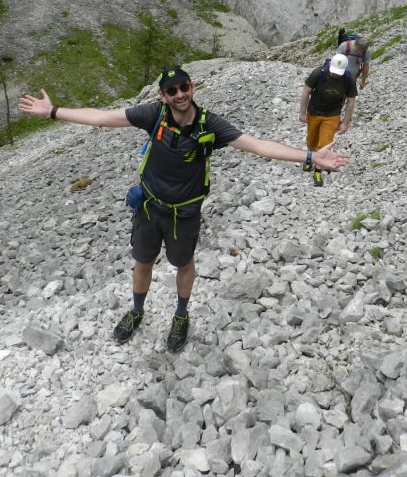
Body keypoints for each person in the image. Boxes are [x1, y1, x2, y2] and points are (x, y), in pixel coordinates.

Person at [18, 65, 349, 353]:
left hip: (185, 213)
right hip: (149, 207)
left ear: (193, 87)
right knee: (143, 261)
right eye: (171, 90)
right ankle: (137, 311)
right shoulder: (154, 115)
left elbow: (258, 146)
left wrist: (310, 157)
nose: (179, 95)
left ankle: (180, 315)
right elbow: (103, 118)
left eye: (184, 87)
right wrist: (53, 111)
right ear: (163, 95)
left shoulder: (210, 125)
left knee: (183, 263)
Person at [299, 53, 357, 187]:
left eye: (338, 73)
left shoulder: (348, 80)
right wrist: (303, 113)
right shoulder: (319, 73)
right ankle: (309, 159)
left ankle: (318, 170)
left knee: (324, 143)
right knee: (311, 139)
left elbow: (350, 101)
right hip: (314, 112)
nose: (336, 75)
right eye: (334, 72)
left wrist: (345, 122)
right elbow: (306, 91)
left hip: (332, 115)